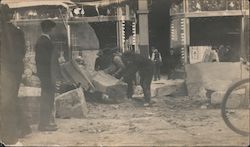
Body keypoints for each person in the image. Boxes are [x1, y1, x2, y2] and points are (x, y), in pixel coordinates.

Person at [0, 2, 31, 145]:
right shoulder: (17, 31)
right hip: (14, 70)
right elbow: (22, 52)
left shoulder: (8, 32)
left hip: (6, 70)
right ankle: (23, 128)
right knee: (10, 100)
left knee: (7, 103)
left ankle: (10, 136)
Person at [35, 20, 58, 131]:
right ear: (50, 29)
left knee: (48, 99)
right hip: (47, 75)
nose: (54, 31)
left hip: (47, 75)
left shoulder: (43, 41)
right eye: (53, 29)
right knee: (47, 99)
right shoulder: (44, 42)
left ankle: (45, 123)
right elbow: (45, 61)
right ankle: (44, 125)